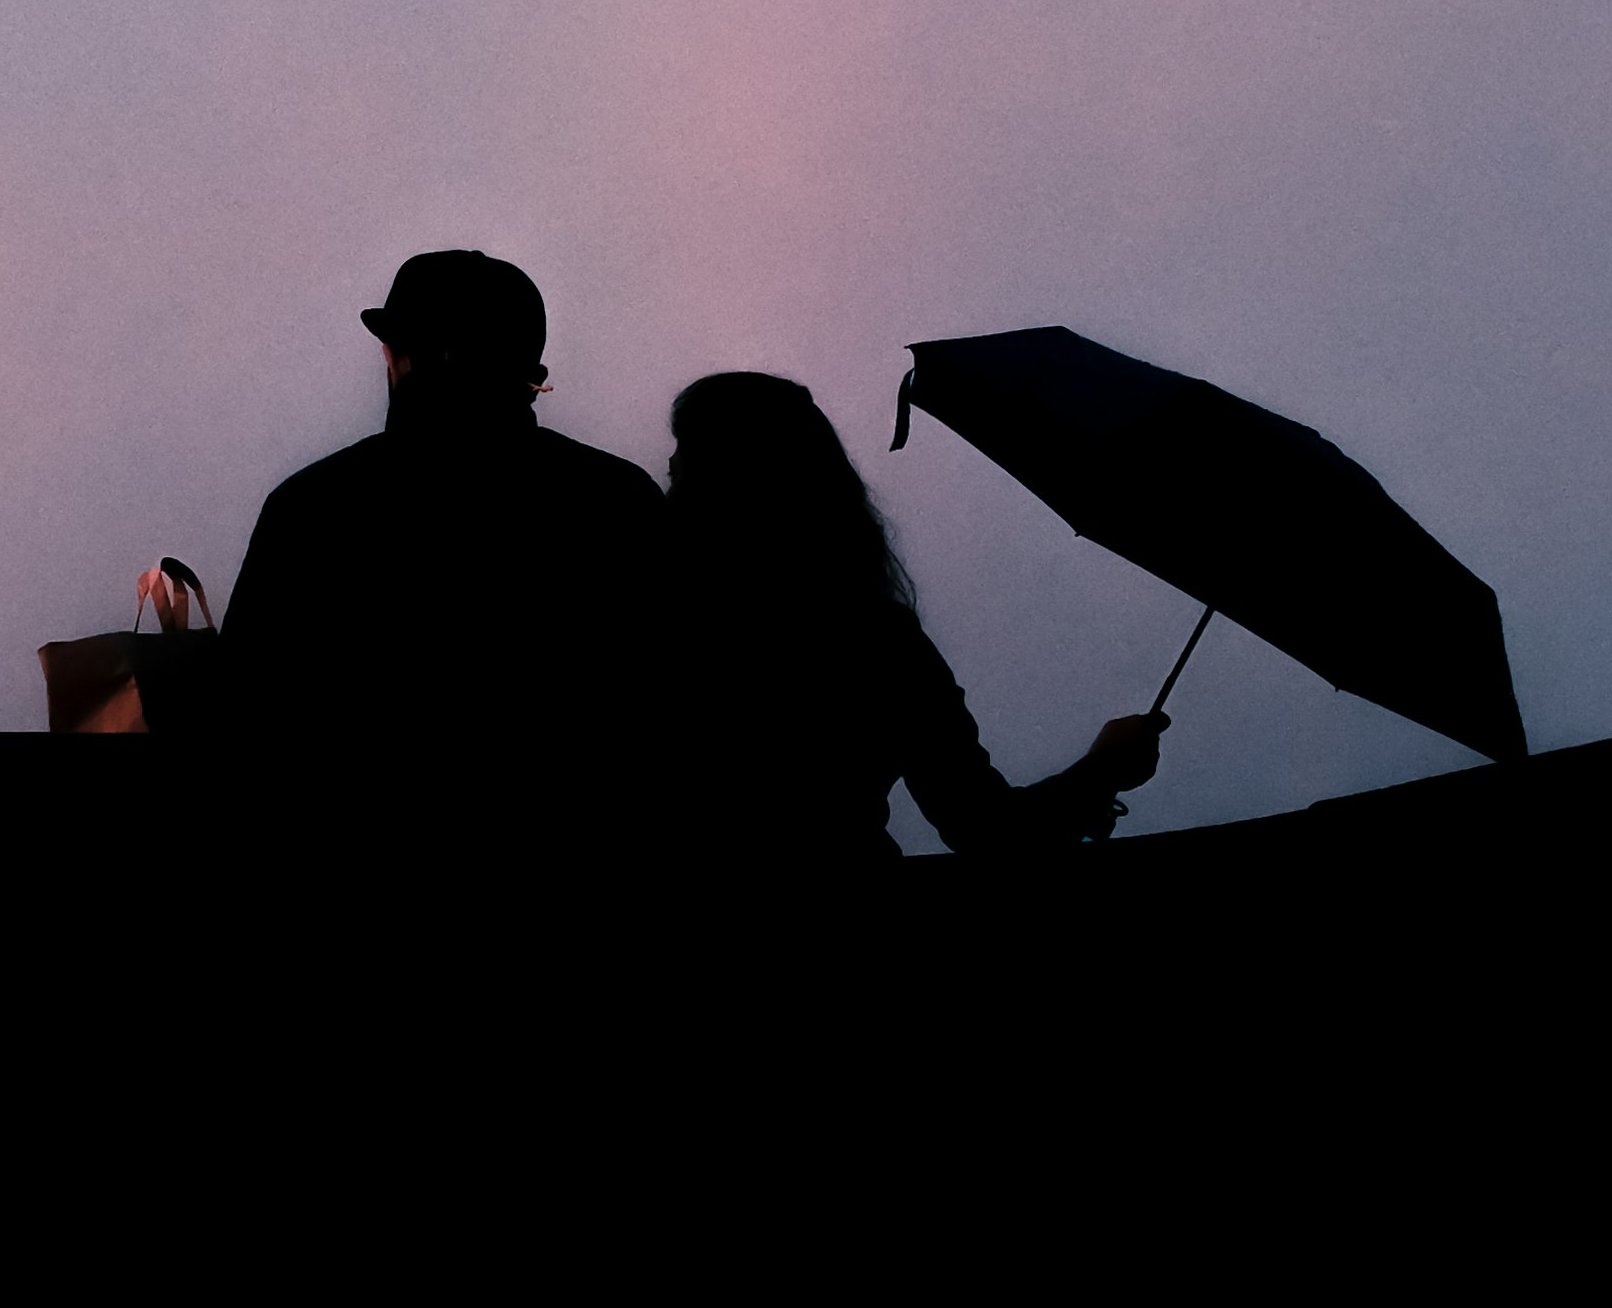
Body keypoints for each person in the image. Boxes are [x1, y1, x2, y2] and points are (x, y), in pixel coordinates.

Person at [216, 250, 669, 838]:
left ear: (398, 359)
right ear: (530, 373)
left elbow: (244, 721)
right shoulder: (620, 500)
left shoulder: (312, 507)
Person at [660, 370, 1162, 866]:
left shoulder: (638, 615)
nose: (670, 465)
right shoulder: (875, 641)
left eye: (684, 458)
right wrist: (1103, 770)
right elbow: (987, 827)